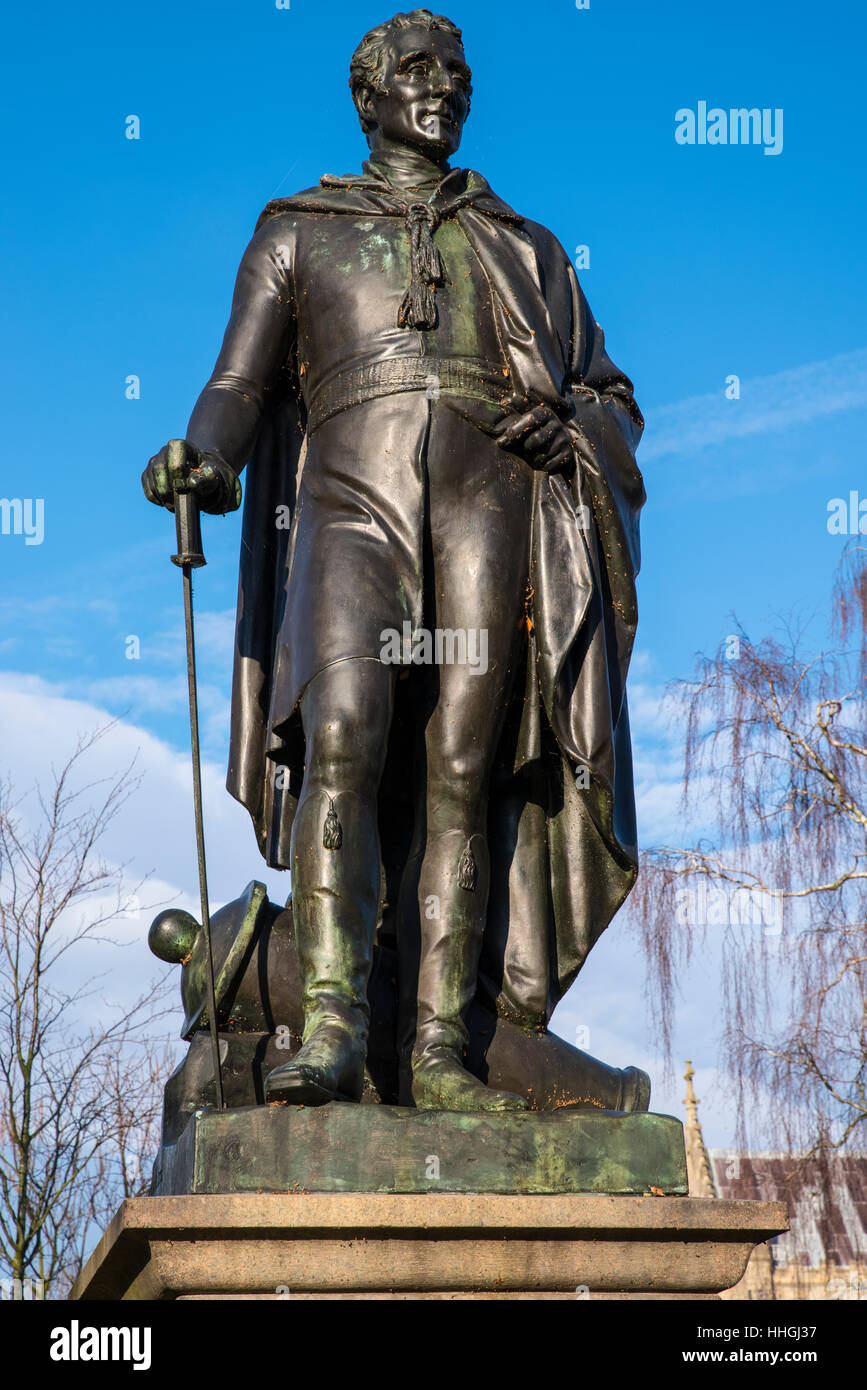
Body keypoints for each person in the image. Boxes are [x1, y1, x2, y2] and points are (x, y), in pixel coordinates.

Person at [142, 9, 645, 1112]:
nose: (445, 88)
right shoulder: (298, 229)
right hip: (350, 505)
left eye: (458, 74)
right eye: (418, 71)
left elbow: (607, 393)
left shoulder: (525, 246)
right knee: (344, 738)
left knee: (465, 768)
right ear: (367, 97)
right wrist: (205, 455)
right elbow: (238, 383)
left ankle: (441, 1054)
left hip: (489, 503)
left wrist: (575, 435)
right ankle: (329, 1020)